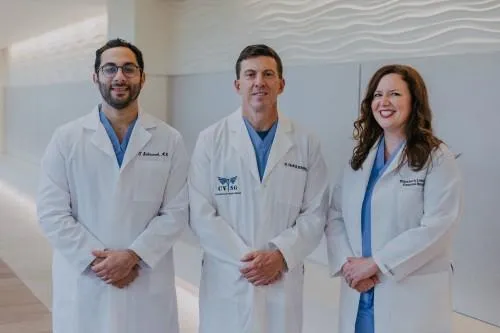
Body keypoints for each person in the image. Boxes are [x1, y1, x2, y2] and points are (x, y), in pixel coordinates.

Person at [36, 38, 189, 333]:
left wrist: (133, 256)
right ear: (96, 77)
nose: (119, 77)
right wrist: (101, 263)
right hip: (86, 280)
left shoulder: (169, 139)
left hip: (143, 278)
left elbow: (177, 211)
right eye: (110, 69)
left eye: (129, 69)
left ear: (142, 77)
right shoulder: (66, 138)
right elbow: (51, 212)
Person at [188, 44, 329, 333]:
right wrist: (247, 261)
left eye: (268, 74)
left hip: (281, 276)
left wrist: (279, 256)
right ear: (237, 85)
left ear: (281, 84)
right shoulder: (210, 140)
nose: (259, 82)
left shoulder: (305, 142)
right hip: (228, 276)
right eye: (250, 74)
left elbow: (316, 212)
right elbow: (200, 212)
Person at [325, 64, 463, 333]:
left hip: (407, 290)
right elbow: (335, 214)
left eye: (395, 94)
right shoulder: (361, 157)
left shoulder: (436, 157)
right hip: (361, 288)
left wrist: (376, 264)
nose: (384, 102)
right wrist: (348, 265)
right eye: (377, 95)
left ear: (414, 101)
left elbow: (439, 226)